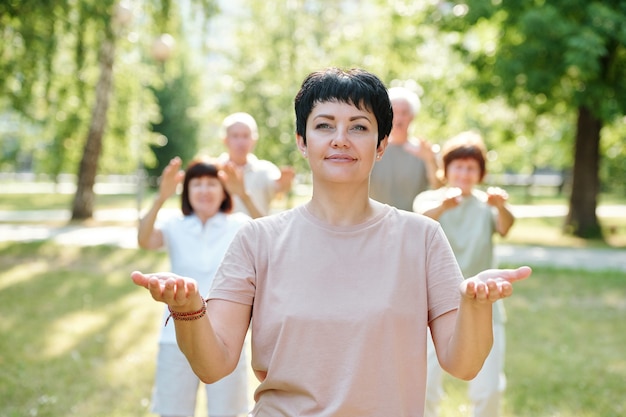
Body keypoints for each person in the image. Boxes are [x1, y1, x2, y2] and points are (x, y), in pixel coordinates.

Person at [131, 68, 531, 417]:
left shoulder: (422, 237)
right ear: (302, 141)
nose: (341, 139)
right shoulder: (257, 239)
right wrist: (188, 311)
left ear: (380, 145)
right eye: (324, 125)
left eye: (359, 126)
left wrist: (476, 306)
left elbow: (462, 364)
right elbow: (214, 364)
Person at [137, 156, 251, 417]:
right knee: (173, 411)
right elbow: (144, 240)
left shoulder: (239, 225)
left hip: (225, 337)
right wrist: (160, 197)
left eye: (211, 183)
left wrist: (243, 192)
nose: (204, 190)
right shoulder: (175, 225)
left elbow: (273, 238)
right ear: (187, 191)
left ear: (223, 190)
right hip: (175, 336)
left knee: (228, 413)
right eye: (196, 184)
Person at [413, 131, 516, 417]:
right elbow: (418, 225)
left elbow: (506, 227)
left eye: (471, 168)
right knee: (424, 385)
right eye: (458, 166)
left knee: (489, 389)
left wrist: (501, 206)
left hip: (484, 303)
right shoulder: (429, 199)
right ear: (446, 170)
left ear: (480, 173)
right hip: (434, 306)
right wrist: (443, 206)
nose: (464, 173)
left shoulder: (486, 205)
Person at [369, 86, 442, 211]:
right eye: (394, 112)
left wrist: (430, 161)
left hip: (413, 223)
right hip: (376, 223)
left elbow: (439, 189)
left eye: (404, 113)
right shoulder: (372, 149)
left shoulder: (423, 152)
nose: (399, 119)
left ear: (412, 117)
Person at [217, 112, 295, 218]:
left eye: (246, 136)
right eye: (235, 136)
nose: (241, 142)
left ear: (254, 139)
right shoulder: (214, 170)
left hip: (257, 233)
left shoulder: (266, 170)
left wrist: (284, 185)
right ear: (225, 140)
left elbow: (278, 187)